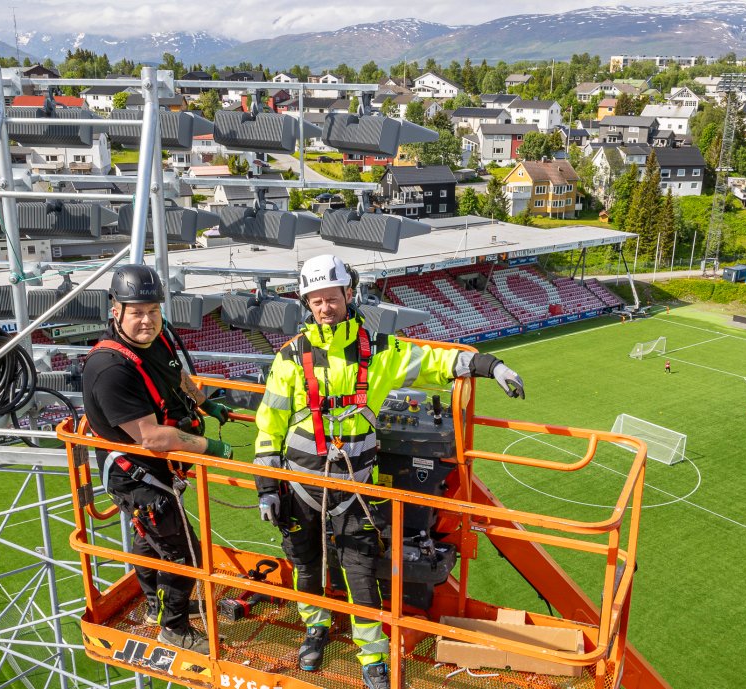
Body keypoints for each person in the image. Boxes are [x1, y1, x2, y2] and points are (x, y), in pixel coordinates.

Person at [253, 255, 526, 689]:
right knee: (306, 565)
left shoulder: (381, 350)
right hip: (299, 484)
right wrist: (267, 486)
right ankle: (315, 629)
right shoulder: (289, 359)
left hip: (354, 487)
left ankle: (372, 657)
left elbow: (437, 361)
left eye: (332, 298)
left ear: (349, 295)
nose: (325, 308)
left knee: (361, 573)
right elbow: (269, 425)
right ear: (307, 304)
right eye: (316, 300)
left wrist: (490, 365)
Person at [81, 264, 234, 654]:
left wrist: (204, 403)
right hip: (137, 474)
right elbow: (151, 436)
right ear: (115, 311)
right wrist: (211, 448)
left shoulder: (155, 341)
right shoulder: (111, 369)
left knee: (151, 542)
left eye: (152, 311)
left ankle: (154, 607)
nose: (146, 320)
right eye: (137, 312)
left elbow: (175, 373)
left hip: (154, 472)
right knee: (184, 554)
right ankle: (174, 626)